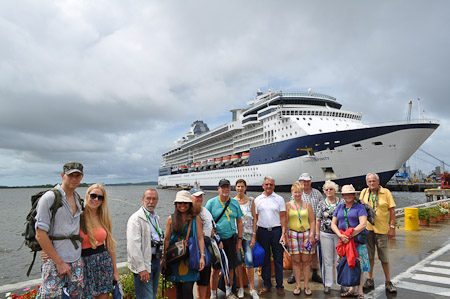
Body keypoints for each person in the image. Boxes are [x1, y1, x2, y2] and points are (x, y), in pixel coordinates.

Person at [35, 161, 85, 298]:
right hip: (55, 262)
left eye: (77, 176)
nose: (74, 179)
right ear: (63, 175)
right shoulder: (50, 198)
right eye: (70, 175)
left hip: (76, 259)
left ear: (82, 177)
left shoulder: (77, 198)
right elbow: (40, 234)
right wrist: (59, 262)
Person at [163, 190, 205, 299]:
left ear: (190, 204)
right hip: (175, 258)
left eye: (185, 203)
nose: (182, 205)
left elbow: (200, 238)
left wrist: (202, 257)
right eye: (180, 203)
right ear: (176, 204)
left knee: (187, 289)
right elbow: (167, 239)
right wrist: (164, 258)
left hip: (190, 258)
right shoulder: (170, 219)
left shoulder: (196, 219)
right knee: (178, 289)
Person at [205, 179, 243, 299]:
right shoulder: (211, 203)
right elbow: (206, 221)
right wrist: (213, 236)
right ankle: (213, 294)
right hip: (216, 241)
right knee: (215, 269)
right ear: (219, 189)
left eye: (227, 187)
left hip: (231, 239)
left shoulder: (235, 203)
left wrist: (240, 240)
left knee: (231, 267)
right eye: (223, 187)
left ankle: (228, 291)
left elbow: (239, 221)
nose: (225, 189)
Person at [360, 173, 397, 293]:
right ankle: (370, 279)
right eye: (369, 181)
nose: (371, 183)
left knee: (384, 257)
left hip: (382, 230)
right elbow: (360, 208)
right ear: (367, 183)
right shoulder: (364, 192)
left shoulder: (386, 192)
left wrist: (392, 226)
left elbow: (392, 211)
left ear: (378, 181)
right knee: (369, 256)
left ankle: (388, 281)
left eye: (373, 181)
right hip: (368, 229)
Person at [80, 184, 119, 299]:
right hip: (84, 264)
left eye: (100, 197)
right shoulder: (78, 216)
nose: (96, 199)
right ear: (87, 195)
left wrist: (115, 271)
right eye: (93, 196)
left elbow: (110, 245)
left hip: (103, 263)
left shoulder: (104, 217)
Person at [331, 185, 369, 299]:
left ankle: (360, 291)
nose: (348, 196)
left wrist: (349, 235)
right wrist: (340, 235)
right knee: (349, 264)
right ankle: (352, 289)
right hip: (344, 241)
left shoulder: (360, 207)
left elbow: (363, 224)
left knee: (359, 265)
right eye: (345, 194)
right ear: (342, 196)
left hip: (357, 241)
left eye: (350, 194)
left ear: (354, 195)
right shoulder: (339, 207)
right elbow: (333, 223)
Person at [127, 188, 164, 299]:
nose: (151, 202)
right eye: (148, 198)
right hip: (143, 264)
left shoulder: (156, 217)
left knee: (152, 295)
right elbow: (133, 246)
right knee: (146, 296)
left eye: (154, 199)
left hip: (156, 261)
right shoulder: (136, 219)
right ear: (143, 200)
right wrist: (141, 268)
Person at [253, 176, 287, 296]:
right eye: (266, 184)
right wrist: (254, 235)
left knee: (278, 259)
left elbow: (283, 217)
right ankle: (266, 284)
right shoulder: (257, 200)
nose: (268, 186)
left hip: (276, 231)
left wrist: (284, 233)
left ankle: (280, 285)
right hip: (262, 231)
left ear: (274, 186)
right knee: (265, 259)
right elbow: (255, 218)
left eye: (271, 184)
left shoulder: (279, 199)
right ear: (263, 186)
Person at [288, 173, 323, 284]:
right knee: (297, 254)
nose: (305, 183)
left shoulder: (317, 193)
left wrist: (317, 230)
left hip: (314, 225)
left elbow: (322, 207)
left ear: (310, 182)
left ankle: (315, 273)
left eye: (307, 181)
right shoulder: (296, 193)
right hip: (298, 226)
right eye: (303, 181)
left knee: (314, 252)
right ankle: (295, 274)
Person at [286, 182, 316, 296]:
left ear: (302, 192)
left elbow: (312, 221)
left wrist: (312, 234)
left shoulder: (307, 205)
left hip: (306, 234)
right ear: (292, 193)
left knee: (306, 261)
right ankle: (298, 285)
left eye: (299, 192)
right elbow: (285, 221)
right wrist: (285, 235)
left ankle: (307, 285)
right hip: (293, 234)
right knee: (296, 261)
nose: (297, 194)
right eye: (295, 192)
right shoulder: (288, 205)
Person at [315, 180, 344, 294]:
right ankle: (328, 284)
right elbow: (318, 220)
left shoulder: (341, 202)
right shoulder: (321, 203)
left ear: (335, 190)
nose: (328, 191)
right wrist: (317, 234)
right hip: (325, 234)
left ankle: (341, 283)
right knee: (327, 260)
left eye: (331, 189)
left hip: (338, 234)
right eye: (326, 189)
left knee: (339, 259)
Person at [233, 179, 259, 299]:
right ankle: (241, 288)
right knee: (238, 261)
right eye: (238, 186)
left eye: (242, 186)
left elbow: (254, 218)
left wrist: (254, 235)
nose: (240, 188)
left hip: (248, 235)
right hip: (236, 236)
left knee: (249, 260)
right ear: (235, 188)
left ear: (245, 187)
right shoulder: (232, 201)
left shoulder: (251, 200)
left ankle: (252, 288)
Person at [190, 188, 214, 299]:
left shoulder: (205, 210)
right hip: (193, 248)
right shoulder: (188, 211)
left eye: (201, 196)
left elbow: (212, 227)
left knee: (204, 278)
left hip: (207, 245)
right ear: (190, 198)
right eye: (196, 196)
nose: (199, 198)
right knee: (191, 278)